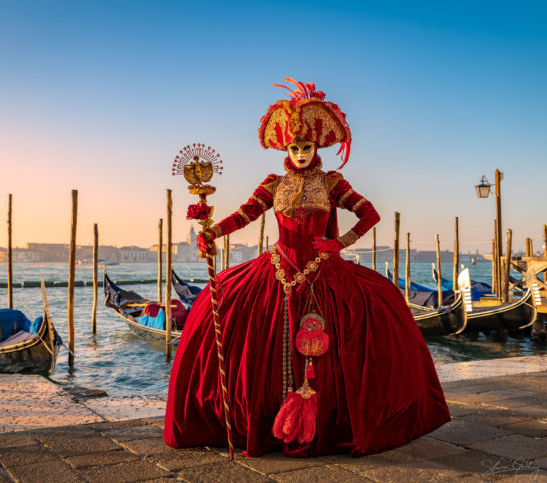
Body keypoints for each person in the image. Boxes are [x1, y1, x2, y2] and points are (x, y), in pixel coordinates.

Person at [164, 78, 450, 458]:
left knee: (381, 312)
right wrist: (212, 232)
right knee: (214, 314)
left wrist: (338, 243)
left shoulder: (332, 183)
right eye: (295, 147)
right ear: (286, 148)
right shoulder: (273, 184)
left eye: (307, 147)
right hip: (279, 268)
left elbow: (370, 213)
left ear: (317, 148)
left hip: (323, 271)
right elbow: (244, 215)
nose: (300, 153)